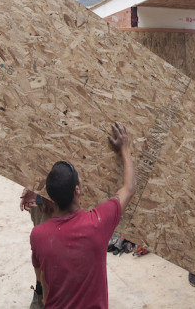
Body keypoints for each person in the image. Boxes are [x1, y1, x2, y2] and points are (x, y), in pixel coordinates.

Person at [29, 121, 136, 308]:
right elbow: (130, 187)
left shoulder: (38, 235)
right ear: (77, 190)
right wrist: (125, 148)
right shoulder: (97, 223)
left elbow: (43, 281)